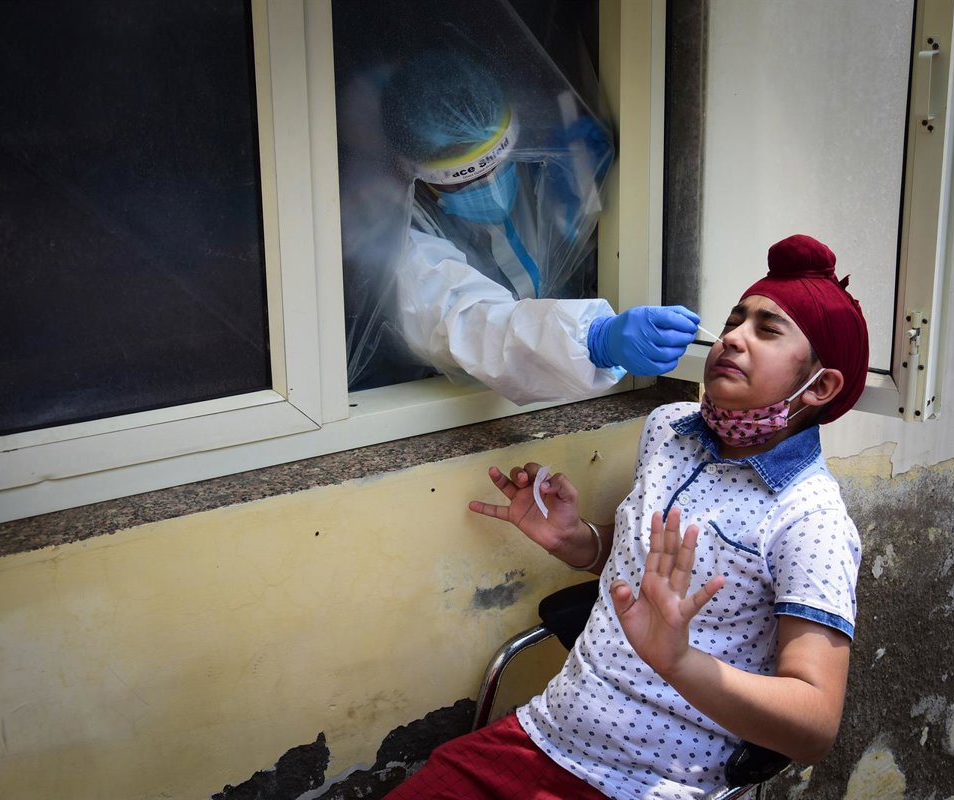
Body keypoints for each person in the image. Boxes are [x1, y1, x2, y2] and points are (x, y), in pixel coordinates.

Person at [386, 233, 870, 799]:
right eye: (733, 321)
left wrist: (680, 662)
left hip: (651, 784)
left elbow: (814, 725)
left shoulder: (810, 519)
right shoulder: (669, 430)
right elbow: (650, 562)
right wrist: (577, 540)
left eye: (767, 330)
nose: (733, 338)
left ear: (821, 386)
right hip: (544, 735)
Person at [333, 5, 700, 401]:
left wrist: (576, 204)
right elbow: (470, 324)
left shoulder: (539, 163)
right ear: (413, 173)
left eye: (498, 166)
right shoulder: (390, 240)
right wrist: (591, 339)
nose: (490, 185)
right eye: (466, 179)